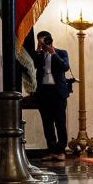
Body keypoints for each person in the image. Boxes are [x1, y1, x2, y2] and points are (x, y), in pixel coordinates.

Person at [31, 30, 71, 161]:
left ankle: (61, 151)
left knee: (60, 122)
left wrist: (53, 53)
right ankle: (52, 151)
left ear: (51, 39)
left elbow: (65, 67)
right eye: (40, 40)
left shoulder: (61, 52)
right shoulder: (38, 55)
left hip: (58, 92)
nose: (43, 43)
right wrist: (38, 50)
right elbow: (33, 66)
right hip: (43, 93)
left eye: (45, 40)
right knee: (47, 124)